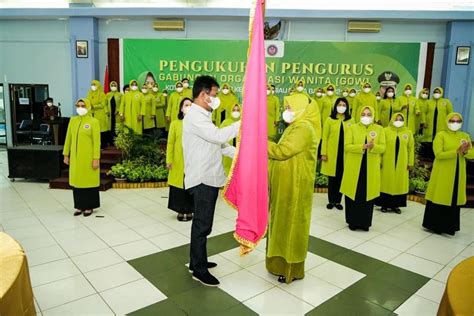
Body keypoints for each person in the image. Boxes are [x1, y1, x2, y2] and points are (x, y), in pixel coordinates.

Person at [183, 75, 240, 287]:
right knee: (202, 224)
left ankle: (197, 260)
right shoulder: (196, 117)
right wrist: (243, 123)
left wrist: (241, 154)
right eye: (214, 95)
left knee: (202, 223)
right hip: (203, 178)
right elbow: (217, 137)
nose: (216, 99)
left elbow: (220, 145)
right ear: (203, 94)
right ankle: (199, 269)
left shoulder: (204, 116)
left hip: (209, 176)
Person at [266, 92, 320, 284]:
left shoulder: (304, 128)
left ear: (301, 109)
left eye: (289, 108)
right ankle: (277, 264)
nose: (285, 111)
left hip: (295, 187)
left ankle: (290, 268)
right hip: (286, 185)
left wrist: (260, 143)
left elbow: (283, 152)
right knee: (281, 223)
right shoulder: (295, 126)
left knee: (291, 225)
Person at [423, 113, 473, 235]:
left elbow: (471, 153)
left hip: (457, 173)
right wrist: (456, 152)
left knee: (453, 198)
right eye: (452, 120)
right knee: (440, 197)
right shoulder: (441, 135)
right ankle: (435, 225)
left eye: (458, 121)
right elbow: (438, 154)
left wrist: (465, 152)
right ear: (447, 121)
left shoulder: (464, 136)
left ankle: (450, 226)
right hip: (443, 173)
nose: (455, 123)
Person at [340, 106, 385, 231]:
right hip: (354, 167)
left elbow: (383, 148)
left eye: (369, 114)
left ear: (373, 115)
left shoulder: (379, 129)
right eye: (364, 114)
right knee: (353, 193)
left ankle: (365, 223)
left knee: (367, 194)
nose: (366, 116)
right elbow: (347, 146)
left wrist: (373, 146)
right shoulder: (353, 128)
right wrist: (362, 146)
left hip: (370, 168)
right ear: (359, 115)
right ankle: (352, 221)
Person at [63, 98, 101, 217]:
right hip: (75, 158)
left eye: (83, 106)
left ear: (88, 107)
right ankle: (79, 206)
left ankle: (89, 206)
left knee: (88, 181)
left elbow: (97, 142)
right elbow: (68, 138)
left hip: (88, 158)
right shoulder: (73, 121)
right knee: (77, 183)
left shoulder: (93, 122)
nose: (80, 108)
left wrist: (96, 158)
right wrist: (66, 154)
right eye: (78, 106)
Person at [321, 98, 354, 210]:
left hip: (345, 154)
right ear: (335, 106)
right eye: (339, 104)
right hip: (331, 154)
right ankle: (331, 201)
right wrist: (323, 152)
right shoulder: (330, 119)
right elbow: (324, 137)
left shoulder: (351, 120)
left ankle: (338, 201)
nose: (341, 106)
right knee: (332, 179)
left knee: (341, 178)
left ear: (347, 107)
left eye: (344, 104)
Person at [379, 113, 414, 214]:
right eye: (396, 119)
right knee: (386, 182)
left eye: (401, 119)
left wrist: (410, 162)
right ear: (392, 119)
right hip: (387, 161)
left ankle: (396, 205)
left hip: (402, 162)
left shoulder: (408, 132)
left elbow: (410, 148)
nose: (398, 121)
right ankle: (384, 204)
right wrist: (380, 160)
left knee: (399, 182)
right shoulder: (385, 131)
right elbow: (382, 147)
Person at [167, 97, 194, 222]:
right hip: (178, 160)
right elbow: (170, 143)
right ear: (181, 108)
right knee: (179, 186)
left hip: (193, 160)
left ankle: (189, 210)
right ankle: (180, 210)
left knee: (191, 185)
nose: (188, 107)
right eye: (185, 105)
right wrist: (169, 159)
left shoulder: (196, 124)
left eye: (190, 105)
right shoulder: (175, 123)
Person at [220, 104, 241, 175]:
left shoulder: (243, 123)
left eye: (238, 110)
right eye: (234, 110)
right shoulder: (226, 122)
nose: (236, 112)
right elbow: (220, 137)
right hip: (228, 154)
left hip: (240, 152)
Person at [87, 80, 108, 147]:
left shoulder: (101, 94)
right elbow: (87, 101)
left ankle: (103, 144)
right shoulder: (89, 93)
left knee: (101, 129)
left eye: (94, 85)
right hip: (91, 113)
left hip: (99, 113)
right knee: (93, 129)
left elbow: (103, 104)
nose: (93, 86)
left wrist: (95, 106)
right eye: (92, 85)